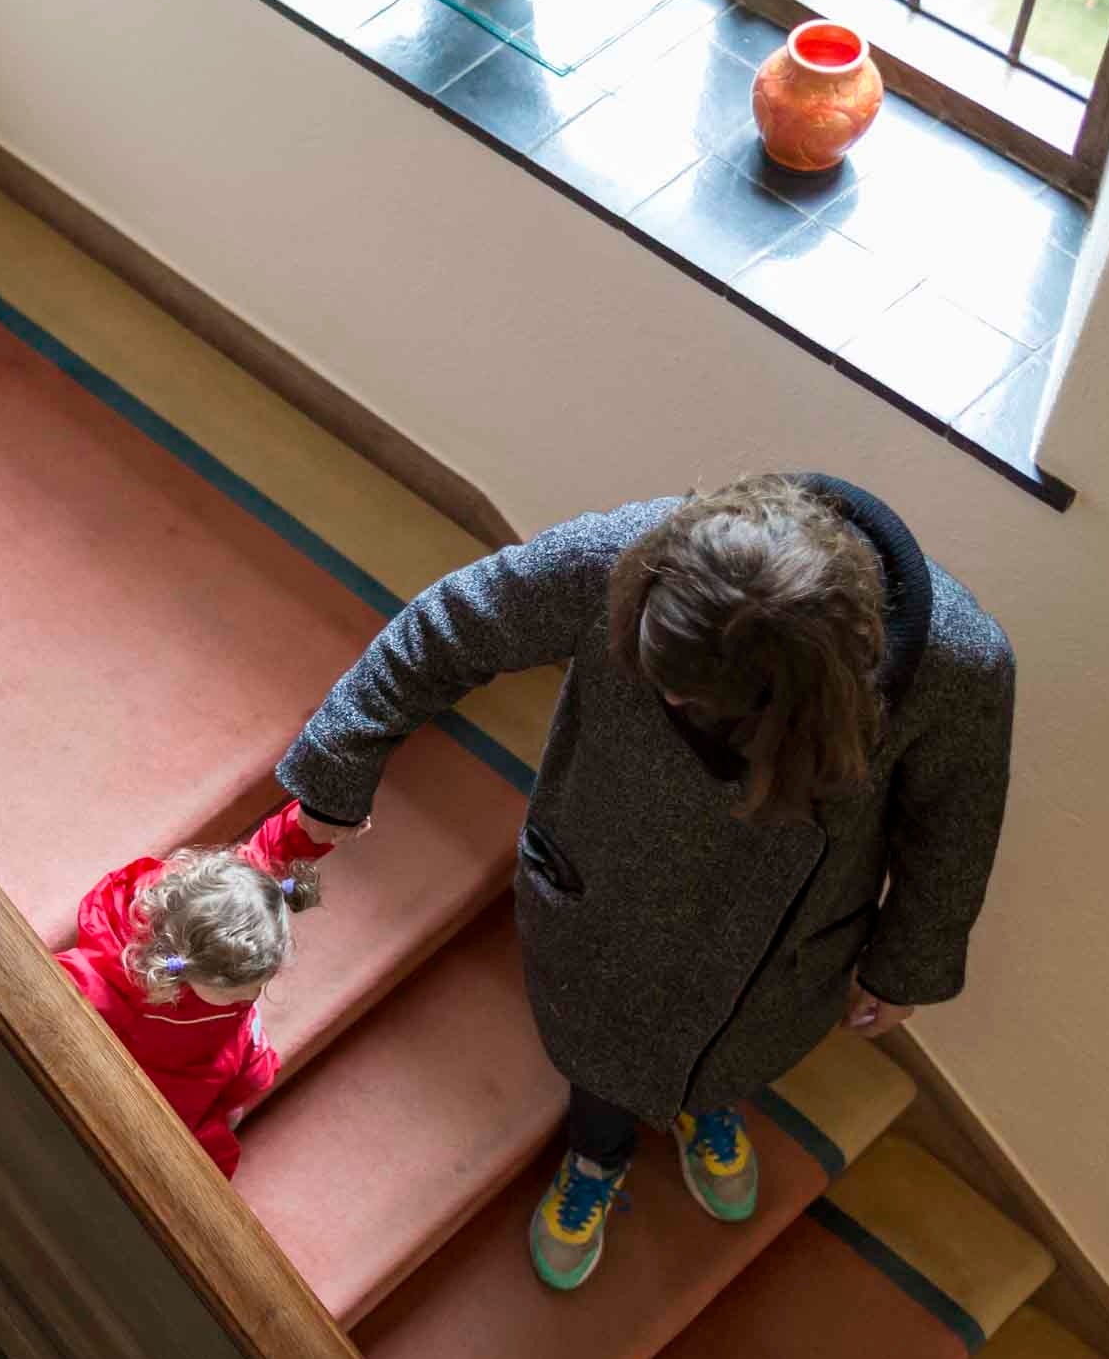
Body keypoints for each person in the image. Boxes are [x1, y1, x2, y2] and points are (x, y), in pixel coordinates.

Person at [275, 474, 1013, 1290]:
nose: (665, 696)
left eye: (692, 698)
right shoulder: (628, 560)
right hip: (605, 897)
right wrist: (338, 763)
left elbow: (951, 827)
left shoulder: (958, 667)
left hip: (782, 955)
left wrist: (909, 962)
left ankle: (708, 1106)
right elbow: (455, 624)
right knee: (604, 1062)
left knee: (734, 1049)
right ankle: (598, 1153)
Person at [54, 800, 362, 1177]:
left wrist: (317, 822)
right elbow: (47, 996)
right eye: (236, 993)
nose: (250, 999)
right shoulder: (105, 989)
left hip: (219, 1047)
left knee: (235, 1098)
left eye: (258, 986)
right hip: (158, 1075)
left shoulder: (234, 899)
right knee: (184, 1161)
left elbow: (273, 850)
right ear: (183, 968)